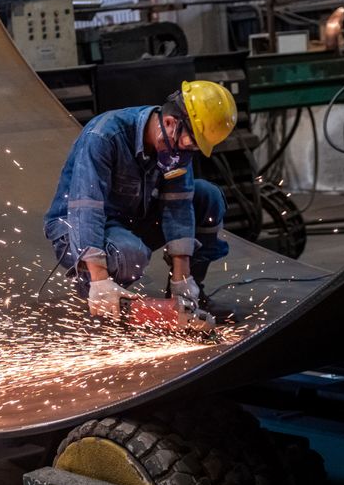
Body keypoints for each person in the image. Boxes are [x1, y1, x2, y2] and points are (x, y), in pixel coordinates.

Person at [44, 81, 237, 319]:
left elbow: (179, 207)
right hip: (78, 228)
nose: (185, 153)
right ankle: (103, 299)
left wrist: (182, 280)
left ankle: (187, 302)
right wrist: (99, 278)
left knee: (208, 196)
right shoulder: (104, 135)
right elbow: (87, 207)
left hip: (132, 218)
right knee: (130, 253)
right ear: (170, 123)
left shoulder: (176, 148)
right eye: (187, 144)